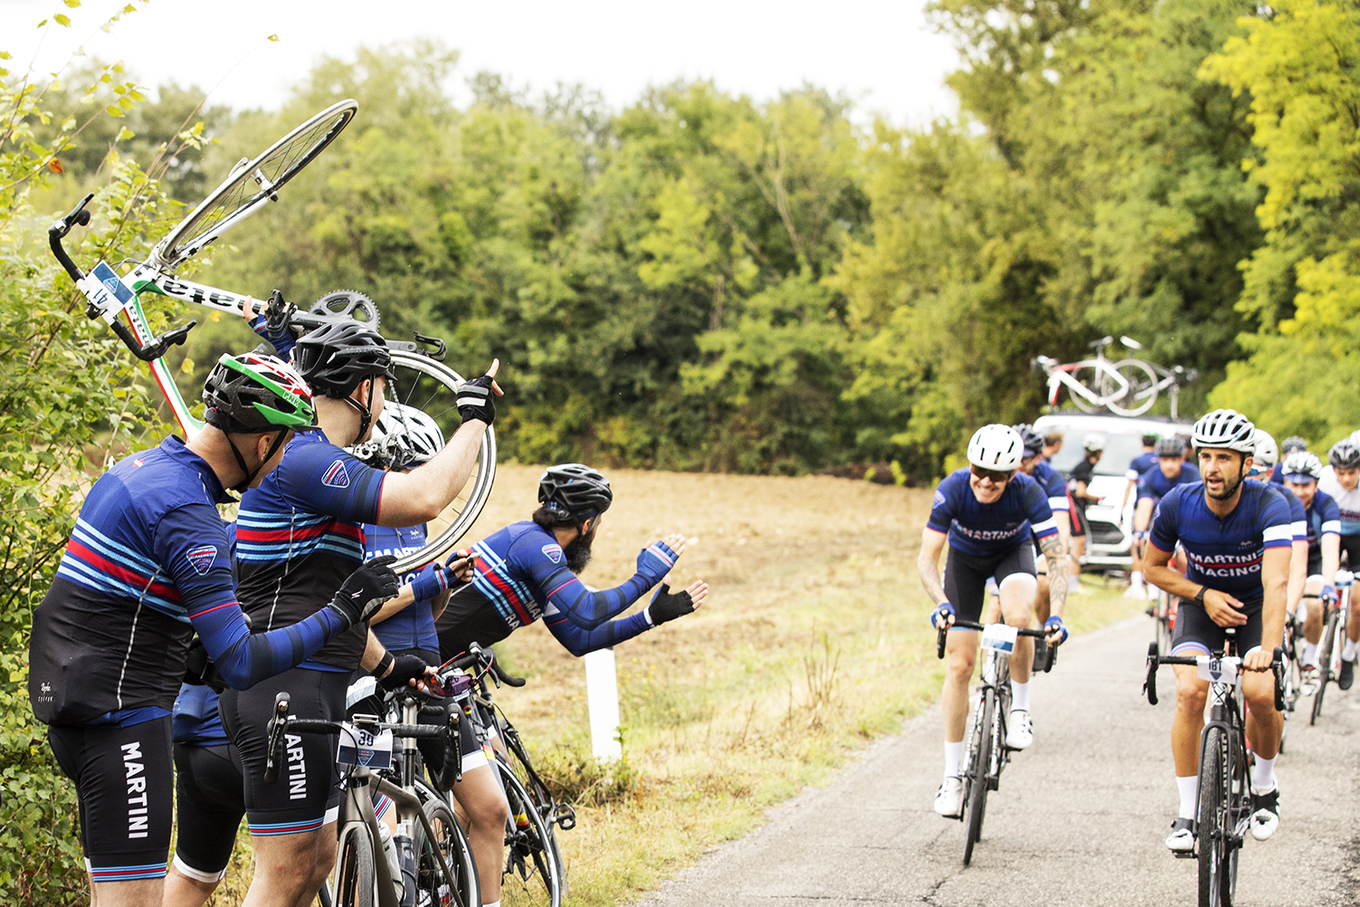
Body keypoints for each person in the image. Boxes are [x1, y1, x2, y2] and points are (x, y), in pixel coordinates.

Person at [26, 354, 400, 907]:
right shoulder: (186, 511)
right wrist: (340, 612)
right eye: (286, 448)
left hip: (72, 706)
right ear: (262, 442)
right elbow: (242, 662)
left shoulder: (137, 471)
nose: (277, 472)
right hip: (122, 724)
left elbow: (126, 601)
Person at [219, 319, 502, 907]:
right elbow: (423, 497)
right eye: (383, 387)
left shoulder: (313, 459)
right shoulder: (306, 458)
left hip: (310, 688)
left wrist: (388, 664)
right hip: (283, 691)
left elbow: (330, 599)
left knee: (316, 861)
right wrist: (472, 420)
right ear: (365, 388)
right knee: (284, 872)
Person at [434, 463, 707, 903]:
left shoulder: (545, 560)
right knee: (480, 796)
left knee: (492, 786)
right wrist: (644, 577)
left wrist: (652, 616)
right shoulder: (534, 546)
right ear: (587, 524)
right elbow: (587, 610)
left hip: (449, 673)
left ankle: (456, 879)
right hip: (420, 672)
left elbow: (580, 639)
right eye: (598, 524)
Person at [1144, 409, 1291, 852]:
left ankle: (1264, 787)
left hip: (1254, 606)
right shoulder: (1177, 503)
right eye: (1206, 456)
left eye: (1225, 458)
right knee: (1190, 692)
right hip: (1201, 606)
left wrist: (1268, 648)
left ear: (1247, 464)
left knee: (1261, 693)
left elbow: (1277, 582)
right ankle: (1188, 814)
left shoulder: (1270, 504)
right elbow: (1152, 568)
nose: (1212, 467)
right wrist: (1202, 592)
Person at [917, 425, 1068, 818]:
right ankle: (951, 778)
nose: (985, 481)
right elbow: (927, 558)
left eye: (996, 476)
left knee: (1017, 617)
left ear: (1013, 474)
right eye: (978, 471)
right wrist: (941, 602)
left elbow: (1056, 559)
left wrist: (1056, 615)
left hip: (1011, 556)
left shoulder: (1029, 492)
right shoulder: (953, 488)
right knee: (960, 665)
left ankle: (1020, 709)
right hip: (964, 564)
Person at [1280, 451, 1343, 693]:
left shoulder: (1326, 504)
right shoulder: (1274, 499)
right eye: (1293, 484)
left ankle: (1309, 659)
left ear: (1316, 484)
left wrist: (1329, 583)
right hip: (1282, 562)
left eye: (1305, 485)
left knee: (1316, 603)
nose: (1298, 491)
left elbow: (1330, 546)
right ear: (1284, 482)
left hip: (1313, 563)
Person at [1013, 424, 1071, 660]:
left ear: (1038, 457)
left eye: (1024, 459)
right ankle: (989, 671)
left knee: (1045, 584)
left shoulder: (1050, 479)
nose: (1017, 465)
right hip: (1011, 540)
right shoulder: (999, 475)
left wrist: (1056, 557)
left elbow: (1061, 527)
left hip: (1040, 540)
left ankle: (1040, 629)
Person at [1127, 438, 1201, 599]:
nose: (1169, 465)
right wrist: (1139, 531)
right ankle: (1148, 590)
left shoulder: (1193, 474)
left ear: (1182, 459)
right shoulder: (1152, 475)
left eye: (1174, 460)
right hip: (1160, 522)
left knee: (1184, 557)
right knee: (1143, 546)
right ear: (1159, 459)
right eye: (1165, 460)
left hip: (1187, 522)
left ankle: (1189, 589)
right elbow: (1144, 506)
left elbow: (1199, 507)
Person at [1320, 438, 1360, 687]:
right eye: (1341, 473)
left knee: (1357, 602)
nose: (1346, 479)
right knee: (1325, 579)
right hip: (1333, 534)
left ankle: (1348, 654)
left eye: (1352, 473)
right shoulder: (1325, 481)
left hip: (1359, 541)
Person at [1067, 434, 1105, 594]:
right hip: (1073, 506)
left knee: (1079, 542)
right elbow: (1081, 491)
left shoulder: (1085, 466)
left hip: (1076, 506)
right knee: (1079, 541)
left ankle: (1073, 581)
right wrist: (1096, 498)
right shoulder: (1085, 467)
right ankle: (1072, 583)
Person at [1121, 433, 1160, 511]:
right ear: (1155, 444)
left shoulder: (1137, 461)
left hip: (1141, 504)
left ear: (1142, 443)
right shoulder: (1160, 460)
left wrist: (1123, 508)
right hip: (1158, 505)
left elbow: (1130, 485)